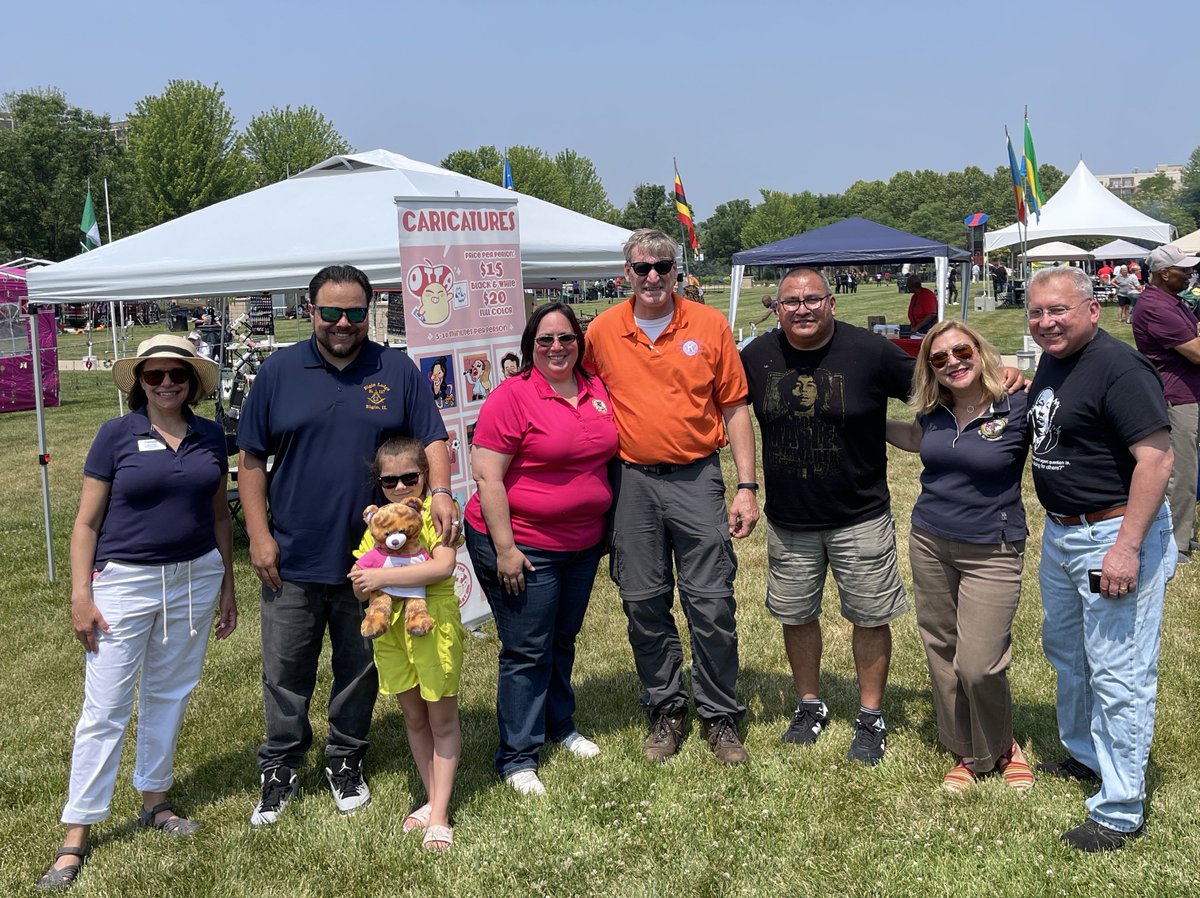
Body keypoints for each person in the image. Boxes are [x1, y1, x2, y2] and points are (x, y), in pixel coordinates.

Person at [237, 264, 453, 827]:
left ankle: (345, 757)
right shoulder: (278, 371)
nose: (342, 323)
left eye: (355, 313)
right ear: (309, 310)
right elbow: (252, 460)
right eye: (330, 312)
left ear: (370, 311)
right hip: (292, 552)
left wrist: (445, 492)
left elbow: (432, 437)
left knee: (361, 665)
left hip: (376, 561)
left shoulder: (396, 369)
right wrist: (258, 537)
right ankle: (281, 764)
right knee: (286, 668)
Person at [38, 335, 236, 891]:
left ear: (193, 382)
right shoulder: (115, 435)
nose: (167, 383)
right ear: (140, 382)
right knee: (105, 707)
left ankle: (155, 798)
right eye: (156, 375)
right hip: (123, 582)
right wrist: (81, 594)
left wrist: (226, 584)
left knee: (169, 692)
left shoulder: (210, 437)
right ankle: (76, 831)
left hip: (196, 577)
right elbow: (85, 524)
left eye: (178, 374)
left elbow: (221, 515)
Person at [584, 229, 760, 766]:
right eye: (642, 268)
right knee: (642, 600)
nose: (654, 276)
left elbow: (734, 408)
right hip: (631, 481)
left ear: (678, 270)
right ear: (626, 274)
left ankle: (720, 713)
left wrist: (747, 486)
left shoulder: (709, 325)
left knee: (710, 601)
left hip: (696, 477)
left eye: (663, 266)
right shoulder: (602, 330)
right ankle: (667, 706)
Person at [1025, 266, 1174, 852]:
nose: (1045, 322)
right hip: (1063, 534)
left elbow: (1156, 461)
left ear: (1092, 309)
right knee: (1069, 654)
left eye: (1058, 310)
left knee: (1119, 670)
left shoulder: (1120, 367)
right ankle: (1088, 758)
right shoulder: (1056, 360)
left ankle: (1120, 808)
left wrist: (1127, 548)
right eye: (1037, 313)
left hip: (1111, 533)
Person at [741, 267, 912, 766]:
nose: (802, 309)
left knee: (870, 616)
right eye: (790, 301)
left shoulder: (872, 352)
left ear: (832, 303)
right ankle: (809, 705)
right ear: (776, 308)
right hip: (790, 519)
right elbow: (723, 409)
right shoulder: (757, 357)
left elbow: (936, 388)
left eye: (812, 299)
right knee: (796, 615)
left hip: (860, 514)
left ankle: (870, 715)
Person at [465, 302, 619, 795]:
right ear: (531, 347)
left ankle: (560, 725)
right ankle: (518, 756)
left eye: (566, 338)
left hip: (582, 543)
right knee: (527, 649)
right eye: (545, 340)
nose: (557, 348)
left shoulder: (596, 389)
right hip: (522, 543)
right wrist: (506, 549)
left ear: (580, 342)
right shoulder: (513, 397)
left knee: (561, 639)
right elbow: (488, 475)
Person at [884, 320, 1033, 792]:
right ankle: (967, 752)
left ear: (979, 350)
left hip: (994, 546)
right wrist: (862, 420)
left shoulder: (1018, 402)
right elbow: (916, 438)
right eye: (940, 358)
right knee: (942, 651)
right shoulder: (935, 409)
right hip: (930, 540)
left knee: (980, 662)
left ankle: (1004, 746)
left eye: (961, 351)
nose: (953, 362)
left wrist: (1018, 371)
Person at [348, 437, 462, 851]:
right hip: (391, 632)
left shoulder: (434, 514)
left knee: (442, 720)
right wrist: (368, 584)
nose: (399, 488)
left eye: (409, 478)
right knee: (414, 719)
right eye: (389, 481)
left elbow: (443, 565)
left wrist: (380, 579)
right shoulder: (378, 523)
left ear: (425, 476)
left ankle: (440, 815)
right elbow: (361, 582)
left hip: (432, 626)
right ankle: (432, 799)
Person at [1131, 244, 1200, 562]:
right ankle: (1175, 543)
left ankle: (1185, 533)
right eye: (1184, 270)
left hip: (1189, 393)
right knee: (1181, 472)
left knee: (1190, 469)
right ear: (1165, 274)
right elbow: (1196, 352)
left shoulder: (1172, 301)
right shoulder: (1157, 307)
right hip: (1177, 397)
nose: (1190, 274)